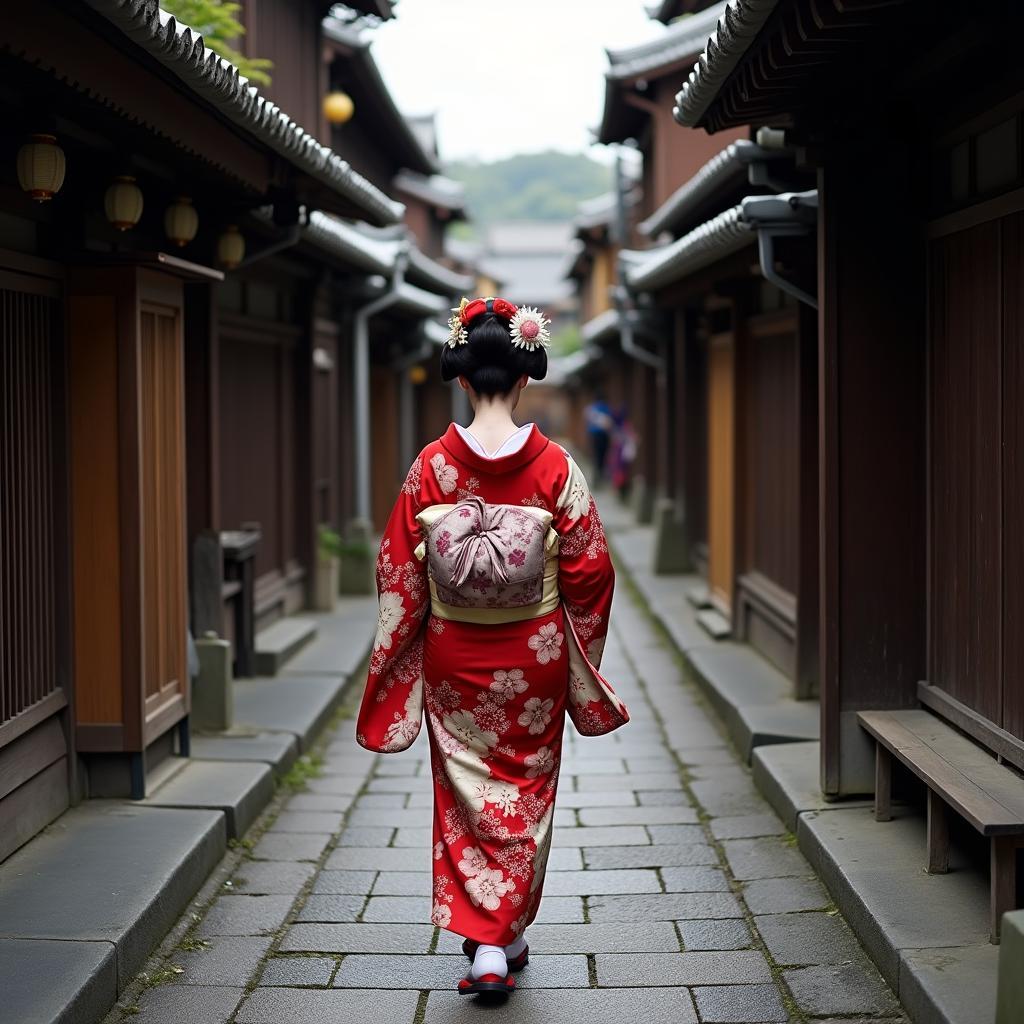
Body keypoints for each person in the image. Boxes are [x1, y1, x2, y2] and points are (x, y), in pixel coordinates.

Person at [356, 296, 629, 998]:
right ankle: (503, 936)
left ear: (460, 378)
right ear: (526, 377)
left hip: (455, 655)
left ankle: (484, 941)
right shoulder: (557, 468)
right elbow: (591, 571)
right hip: (532, 657)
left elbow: (397, 570)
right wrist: (577, 654)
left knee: (464, 793)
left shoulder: (431, 469)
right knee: (525, 793)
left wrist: (403, 655)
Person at [584, 393, 614, 483]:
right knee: (602, 455)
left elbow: (587, 420)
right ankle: (600, 475)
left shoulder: (591, 408)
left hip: (593, 435)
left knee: (596, 455)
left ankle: (596, 475)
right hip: (603, 435)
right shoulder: (605, 408)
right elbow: (609, 423)